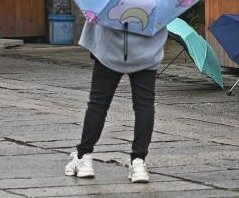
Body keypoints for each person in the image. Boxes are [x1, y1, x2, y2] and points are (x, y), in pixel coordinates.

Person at [65, 20, 167, 184]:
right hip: (147, 48)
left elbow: (94, 15)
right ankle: (138, 162)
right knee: (144, 105)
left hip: (109, 47)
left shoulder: (107, 1)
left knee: (98, 104)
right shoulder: (159, 1)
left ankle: (84, 157)